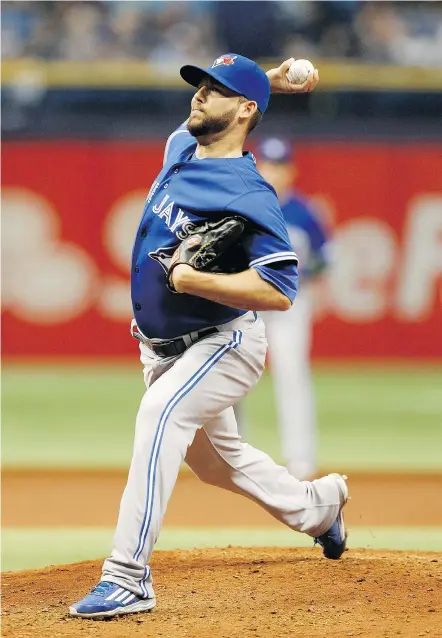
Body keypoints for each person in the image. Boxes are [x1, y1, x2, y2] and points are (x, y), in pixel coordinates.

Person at [70, 53, 348, 620]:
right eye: (200, 85)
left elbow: (280, 287)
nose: (199, 95)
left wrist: (198, 278)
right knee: (220, 464)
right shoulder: (180, 150)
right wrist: (265, 80)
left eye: (215, 89)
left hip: (223, 341)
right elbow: (221, 106)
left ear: (243, 111)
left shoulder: (250, 192)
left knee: (159, 415)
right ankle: (319, 508)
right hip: (162, 347)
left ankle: (127, 577)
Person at [257, 137, 330, 480]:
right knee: (232, 381)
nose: (273, 172)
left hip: (289, 305)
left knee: (292, 376)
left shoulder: (304, 212)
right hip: (248, 305)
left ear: (291, 170)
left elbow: (327, 257)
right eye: (268, 164)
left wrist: (308, 275)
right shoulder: (247, 207)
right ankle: (230, 453)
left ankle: (300, 458)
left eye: (279, 165)